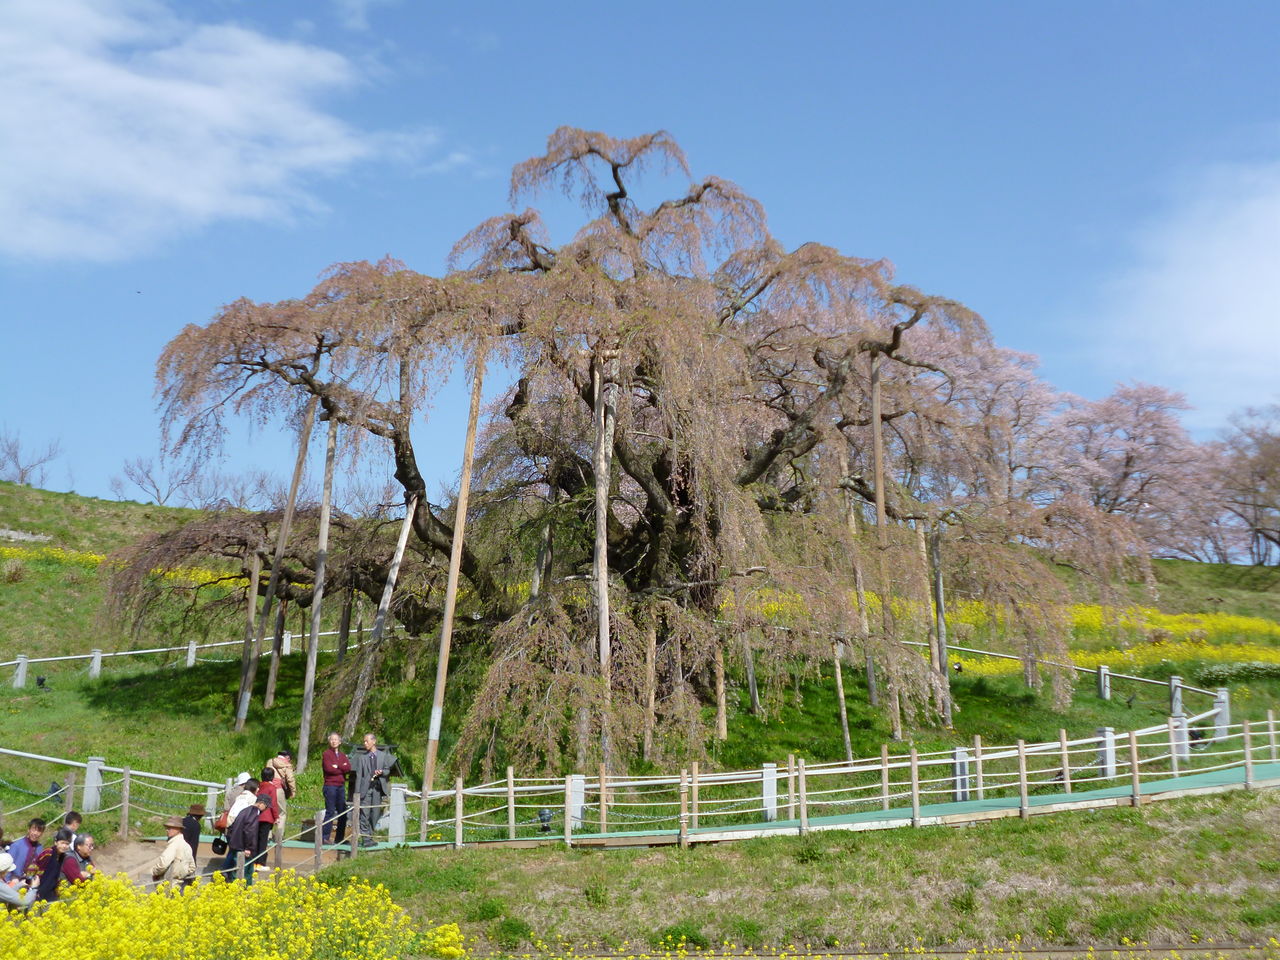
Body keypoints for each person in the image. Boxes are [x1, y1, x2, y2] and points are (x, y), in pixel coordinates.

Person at [353, 732, 396, 847]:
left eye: (367, 741)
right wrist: (357, 793)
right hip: (365, 789)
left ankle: (370, 836)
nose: (365, 743)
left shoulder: (383, 756)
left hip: (377, 789)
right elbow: (359, 776)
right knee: (364, 814)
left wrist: (381, 772)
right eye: (364, 741)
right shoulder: (362, 758)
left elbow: (387, 770)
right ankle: (365, 838)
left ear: (374, 741)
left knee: (375, 814)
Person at [222, 796, 267, 885]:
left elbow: (232, 827)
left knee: (242, 870)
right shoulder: (254, 813)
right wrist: (248, 847)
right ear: (261, 804)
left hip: (237, 845)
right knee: (245, 872)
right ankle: (241, 890)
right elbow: (250, 831)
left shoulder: (245, 810)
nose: (266, 809)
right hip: (243, 848)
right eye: (266, 806)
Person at [321, 732, 351, 845]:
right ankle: (325, 837)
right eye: (332, 739)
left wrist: (338, 766)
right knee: (330, 811)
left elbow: (348, 768)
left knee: (342, 812)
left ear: (340, 742)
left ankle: (339, 838)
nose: (334, 741)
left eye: (336, 739)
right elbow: (329, 769)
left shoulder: (343, 755)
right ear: (329, 741)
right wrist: (341, 767)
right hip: (330, 786)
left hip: (341, 786)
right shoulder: (326, 754)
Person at [150, 816, 196, 887]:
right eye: (167, 828)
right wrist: (182, 874)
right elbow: (192, 867)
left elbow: (163, 864)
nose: (167, 830)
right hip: (181, 885)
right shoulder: (187, 846)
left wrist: (154, 872)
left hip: (169, 884)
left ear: (178, 829)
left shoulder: (174, 845)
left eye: (170, 828)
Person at [31, 827, 75, 902]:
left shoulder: (63, 856)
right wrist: (35, 889)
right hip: (39, 891)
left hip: (51, 892)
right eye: (62, 843)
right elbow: (33, 868)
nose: (64, 846)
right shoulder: (48, 853)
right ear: (56, 842)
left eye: (67, 844)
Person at [267, 749, 297, 845]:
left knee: (269, 811)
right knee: (281, 813)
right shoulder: (287, 765)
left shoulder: (270, 761)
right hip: (279, 790)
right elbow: (290, 779)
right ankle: (279, 836)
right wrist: (293, 791)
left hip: (268, 788)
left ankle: (267, 835)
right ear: (287, 757)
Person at [252, 768, 281, 870]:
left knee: (255, 840)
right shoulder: (271, 787)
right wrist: (276, 817)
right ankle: (260, 863)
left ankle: (253, 862)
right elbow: (273, 803)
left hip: (255, 816)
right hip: (267, 817)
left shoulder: (258, 786)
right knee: (263, 841)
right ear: (272, 777)